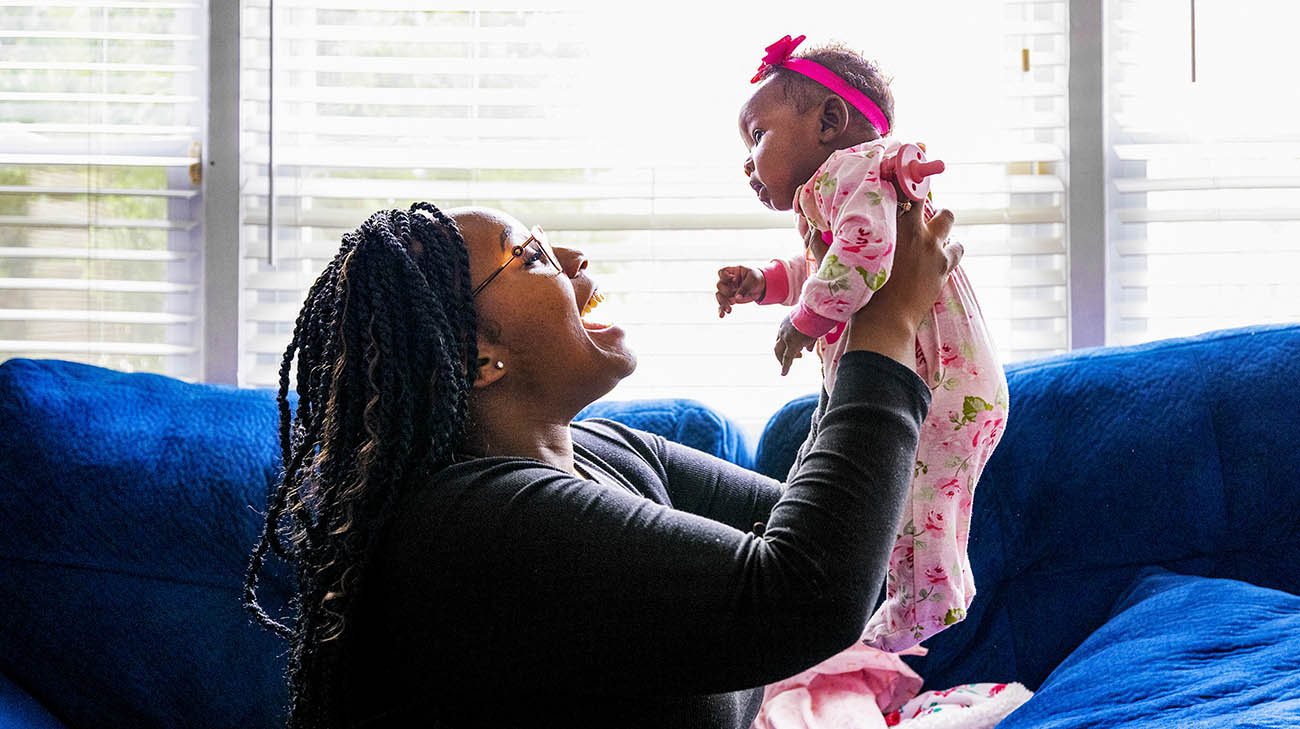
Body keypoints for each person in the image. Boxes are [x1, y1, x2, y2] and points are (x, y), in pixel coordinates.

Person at [244, 198, 961, 729]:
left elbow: (847, 543)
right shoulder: (477, 525)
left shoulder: (606, 452)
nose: (574, 261)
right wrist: (885, 327)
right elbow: (808, 593)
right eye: (528, 256)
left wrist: (841, 321)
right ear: (477, 357)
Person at [717, 35, 1009, 658]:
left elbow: (864, 258)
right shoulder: (838, 193)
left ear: (829, 122)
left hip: (942, 383)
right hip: (946, 384)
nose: (748, 163)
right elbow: (826, 266)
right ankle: (924, 595)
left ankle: (925, 605)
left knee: (921, 503)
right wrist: (767, 283)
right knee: (918, 503)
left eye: (758, 136)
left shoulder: (856, 171)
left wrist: (803, 322)